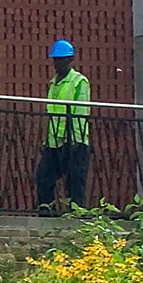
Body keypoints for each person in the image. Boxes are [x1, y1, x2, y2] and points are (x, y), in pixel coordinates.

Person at [35, 39, 92, 214]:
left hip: (74, 140)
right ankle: (47, 214)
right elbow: (51, 114)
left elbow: (80, 113)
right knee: (43, 178)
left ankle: (76, 218)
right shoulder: (53, 84)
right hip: (55, 142)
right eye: (55, 59)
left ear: (70, 60)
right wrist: (46, 141)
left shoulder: (78, 81)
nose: (57, 63)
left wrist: (75, 140)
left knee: (75, 183)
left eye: (61, 59)